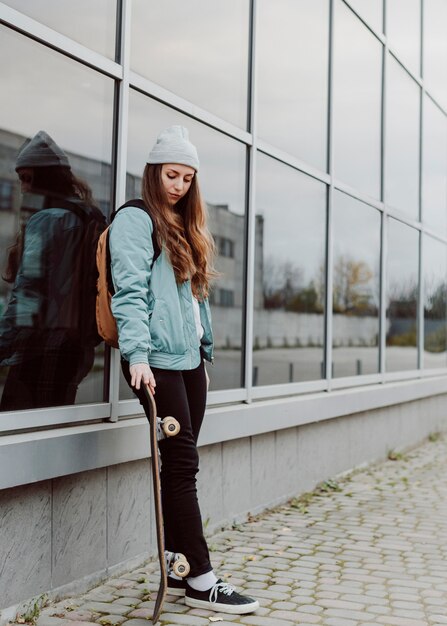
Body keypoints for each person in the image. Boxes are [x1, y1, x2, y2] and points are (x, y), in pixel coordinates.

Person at [109, 125, 259, 614]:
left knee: (180, 461)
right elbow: (128, 293)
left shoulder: (184, 224)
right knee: (180, 465)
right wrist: (136, 356)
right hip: (154, 363)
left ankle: (177, 567)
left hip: (189, 362)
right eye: (172, 174)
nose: (179, 185)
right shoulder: (136, 220)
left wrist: (203, 354)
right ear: (154, 172)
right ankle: (201, 577)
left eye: (188, 177)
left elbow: (196, 297)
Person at [0, 130, 105, 410]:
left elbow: (28, 292)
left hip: (43, 348)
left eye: (27, 178)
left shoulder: (47, 219)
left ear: (46, 178)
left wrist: (3, 342)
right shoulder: (87, 216)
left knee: (18, 435)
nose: (23, 187)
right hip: (76, 348)